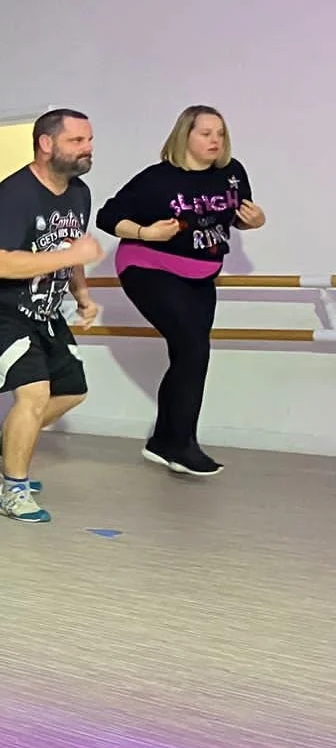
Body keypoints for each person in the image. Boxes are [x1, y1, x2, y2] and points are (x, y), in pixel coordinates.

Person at [96, 106, 263, 477]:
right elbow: (106, 216)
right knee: (194, 348)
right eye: (205, 133)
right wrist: (146, 232)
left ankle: (163, 442)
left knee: (188, 353)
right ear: (185, 135)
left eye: (219, 133)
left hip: (201, 274)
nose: (214, 140)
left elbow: (235, 216)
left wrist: (255, 221)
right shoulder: (157, 179)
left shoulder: (233, 175)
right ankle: (183, 445)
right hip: (149, 266)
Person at [0, 109, 104, 521]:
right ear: (46, 144)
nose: (87, 149)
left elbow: (69, 248)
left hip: (43, 307)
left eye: (90, 140)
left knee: (72, 390)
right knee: (34, 393)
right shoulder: (14, 194)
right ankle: (13, 490)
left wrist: (83, 294)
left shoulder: (79, 193)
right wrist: (74, 254)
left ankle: (0, 447)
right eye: (77, 141)